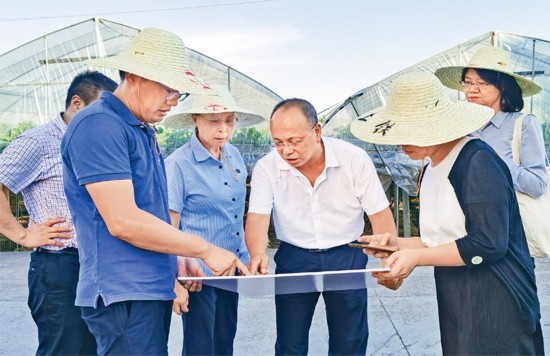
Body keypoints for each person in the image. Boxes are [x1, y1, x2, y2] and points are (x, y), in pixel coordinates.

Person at [61, 28, 249, 355]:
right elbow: (123, 220)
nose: (173, 101)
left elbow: (151, 213)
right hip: (124, 292)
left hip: (148, 289)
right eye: (169, 89)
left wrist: (177, 257)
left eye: (179, 94)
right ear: (134, 76)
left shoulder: (141, 129)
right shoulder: (99, 124)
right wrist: (203, 249)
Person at [350, 71, 544, 355]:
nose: (402, 142)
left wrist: (416, 257)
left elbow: (488, 243)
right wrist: (399, 246)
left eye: (410, 131)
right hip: (456, 291)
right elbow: (440, 238)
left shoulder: (477, 161)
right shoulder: (429, 166)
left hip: (496, 295)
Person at [245, 98, 397, 355]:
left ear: (317, 131)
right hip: (294, 259)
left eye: (295, 141)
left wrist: (391, 264)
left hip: (347, 255)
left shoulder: (353, 160)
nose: (287, 151)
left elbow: (380, 216)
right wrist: (257, 253)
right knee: (289, 342)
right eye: (278, 143)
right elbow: (258, 218)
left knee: (350, 340)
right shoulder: (266, 167)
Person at [0, 70, 117, 355]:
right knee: (63, 349)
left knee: (94, 348)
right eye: (101, 111)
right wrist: (22, 234)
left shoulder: (98, 144)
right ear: (76, 103)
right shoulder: (38, 142)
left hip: (98, 266)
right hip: (60, 267)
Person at [163, 85, 265, 355]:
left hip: (231, 269)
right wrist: (175, 274)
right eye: (214, 121)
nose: (223, 129)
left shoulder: (234, 155)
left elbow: (234, 212)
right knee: (201, 346)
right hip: (198, 274)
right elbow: (169, 226)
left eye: (229, 121)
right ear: (195, 119)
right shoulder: (179, 164)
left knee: (224, 339)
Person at [435, 45, 546, 199]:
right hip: (466, 219)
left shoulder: (523, 124)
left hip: (510, 220)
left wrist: (493, 158)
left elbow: (537, 186)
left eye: (482, 83)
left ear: (502, 87)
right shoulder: (461, 128)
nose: (472, 90)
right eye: (467, 82)